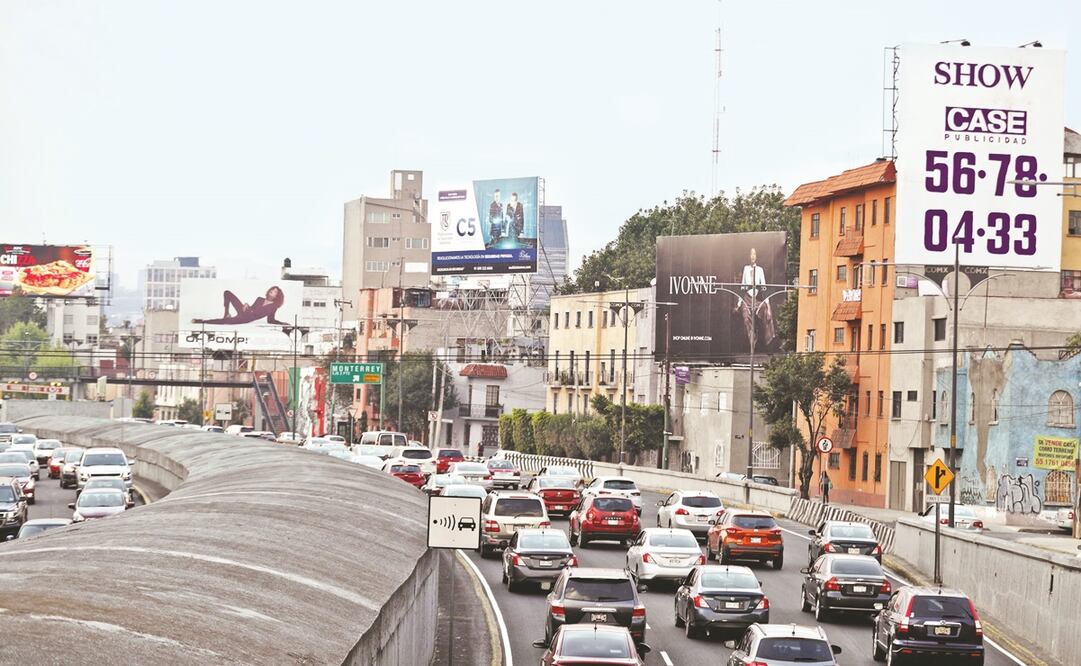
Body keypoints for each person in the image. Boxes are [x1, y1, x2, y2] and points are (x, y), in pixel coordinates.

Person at [734, 247, 776, 349]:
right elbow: (743, 286)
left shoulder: (760, 270)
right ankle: (752, 340)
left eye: (754, 254)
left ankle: (770, 340)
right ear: (749, 256)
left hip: (757, 299)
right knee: (746, 318)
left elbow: (764, 287)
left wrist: (768, 306)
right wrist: (739, 304)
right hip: (747, 298)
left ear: (756, 257)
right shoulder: (746, 269)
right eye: (751, 254)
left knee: (766, 312)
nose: (752, 256)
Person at [194, 286, 289, 326]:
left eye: (275, 291)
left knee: (225, 322)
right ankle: (226, 313)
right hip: (245, 311)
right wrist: (246, 305)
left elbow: (271, 320)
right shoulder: (260, 299)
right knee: (227, 293)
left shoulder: (273, 307)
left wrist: (282, 323)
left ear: (277, 296)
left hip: (246, 319)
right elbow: (252, 308)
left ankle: (202, 321)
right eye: (272, 289)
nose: (272, 291)